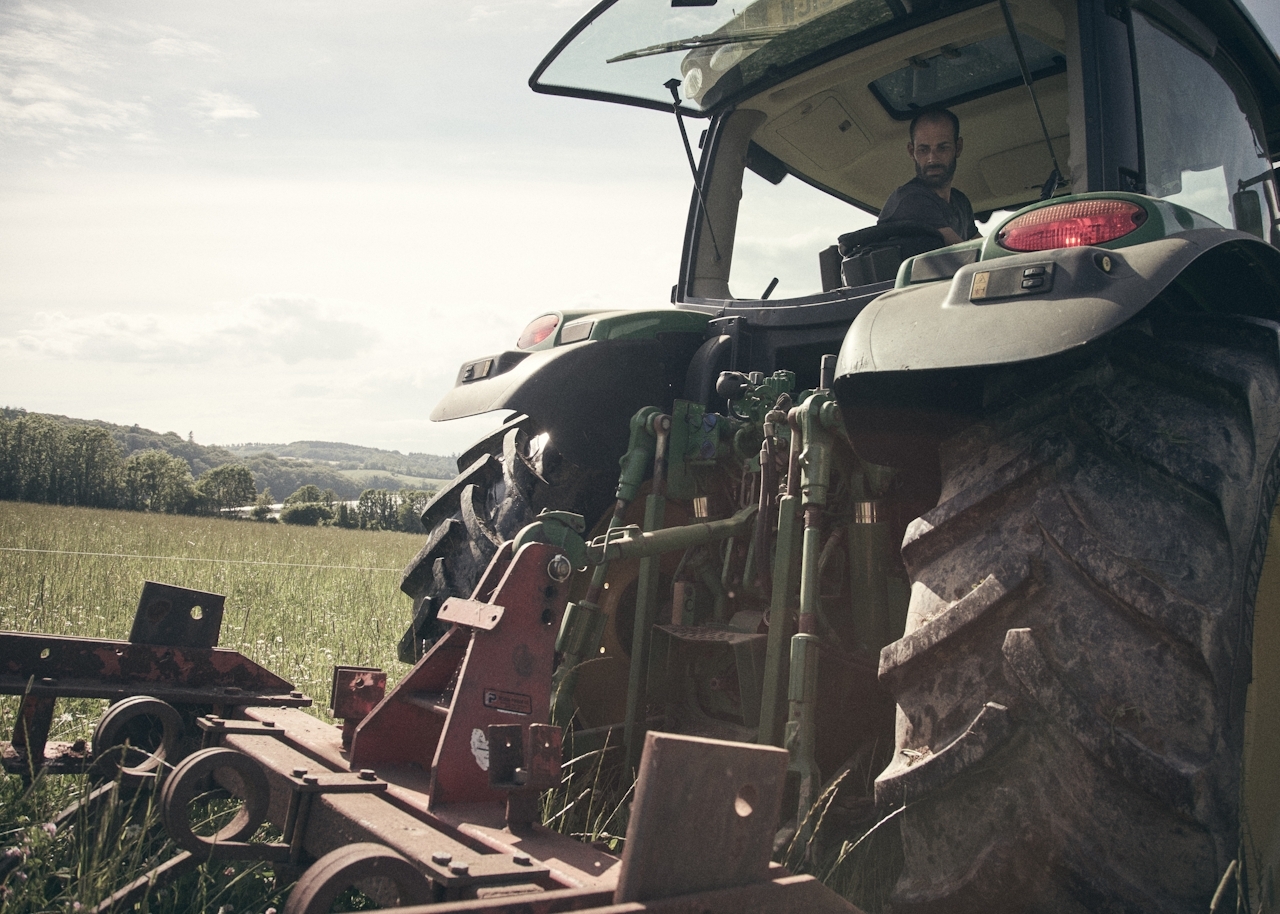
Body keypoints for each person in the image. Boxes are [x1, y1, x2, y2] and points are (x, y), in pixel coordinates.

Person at [878, 108, 978, 245]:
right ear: (911, 152)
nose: (932, 159)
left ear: (958, 148)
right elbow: (964, 254)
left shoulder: (961, 202)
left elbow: (981, 247)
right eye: (923, 150)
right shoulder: (911, 200)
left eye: (942, 148)